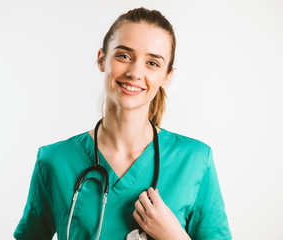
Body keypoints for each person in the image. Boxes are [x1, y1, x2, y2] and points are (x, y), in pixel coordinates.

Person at [14, 7, 232, 240]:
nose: (135, 72)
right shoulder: (55, 160)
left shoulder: (195, 160)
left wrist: (173, 236)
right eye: (124, 56)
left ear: (167, 76)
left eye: (152, 63)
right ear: (101, 59)